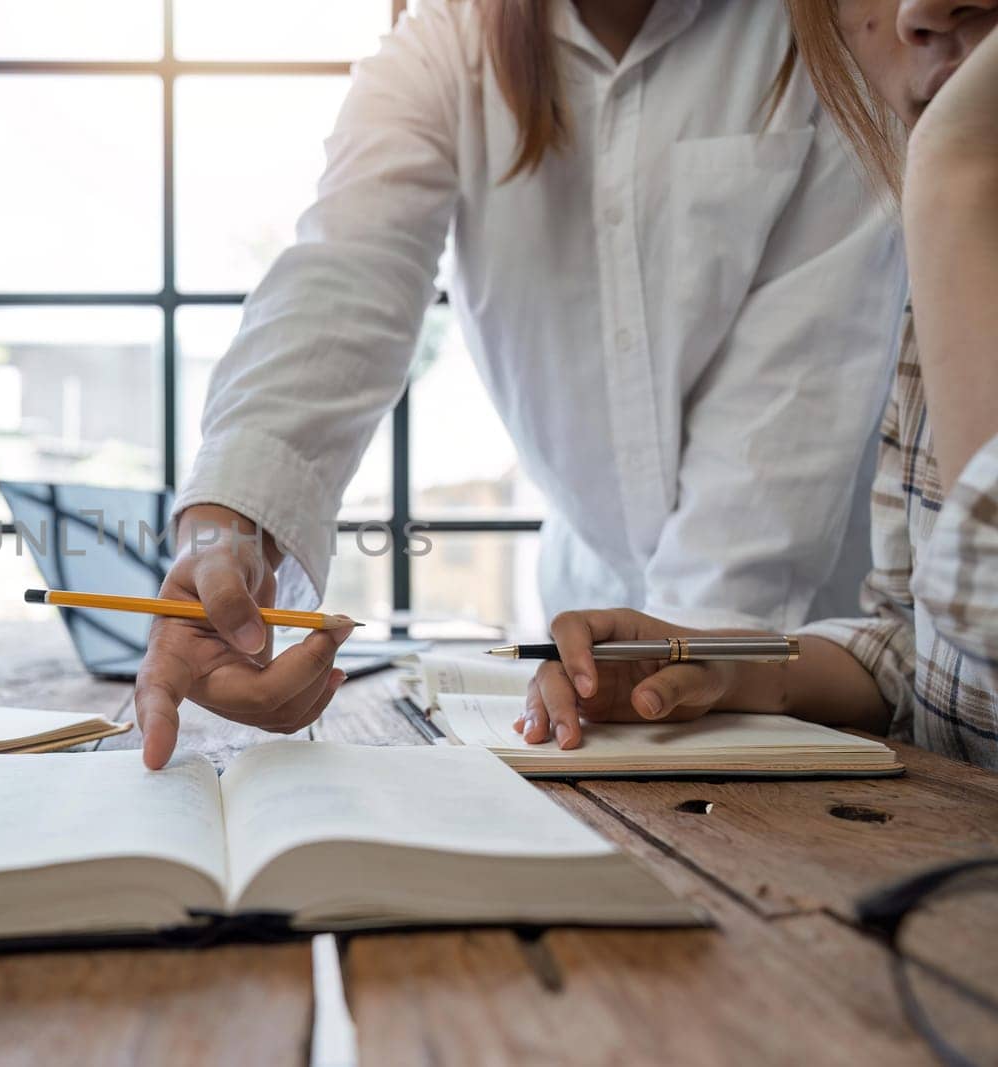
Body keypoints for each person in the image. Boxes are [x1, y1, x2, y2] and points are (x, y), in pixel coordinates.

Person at [135, 0, 906, 769]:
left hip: (825, 667)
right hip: (588, 664)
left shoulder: (830, 35)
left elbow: (789, 407)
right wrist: (224, 534)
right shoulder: (447, 45)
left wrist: (664, 663)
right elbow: (341, 284)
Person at [519, 0, 998, 770]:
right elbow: (920, 649)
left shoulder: (947, 204)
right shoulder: (934, 288)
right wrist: (726, 665)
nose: (921, 11)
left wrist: (952, 173)